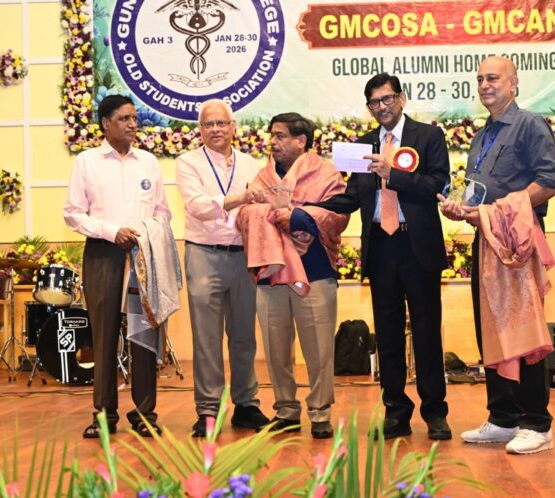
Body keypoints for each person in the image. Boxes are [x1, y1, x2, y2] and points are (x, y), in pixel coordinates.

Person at [438, 56, 555, 454]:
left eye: (492, 78)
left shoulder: (530, 125)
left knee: (524, 331)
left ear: (514, 83)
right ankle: (503, 418)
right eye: (479, 79)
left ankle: (537, 423)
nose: (484, 85)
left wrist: (502, 210)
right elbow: (479, 195)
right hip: (487, 239)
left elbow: (551, 180)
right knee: (490, 328)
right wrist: (462, 209)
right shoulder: (482, 135)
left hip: (517, 240)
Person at [316, 73, 452, 440]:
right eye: (374, 102)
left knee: (426, 333)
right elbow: (352, 197)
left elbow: (436, 185)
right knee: (388, 336)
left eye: (387, 99)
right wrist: (312, 205)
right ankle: (395, 412)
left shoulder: (428, 137)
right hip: (381, 246)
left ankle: (435, 412)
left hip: (417, 245)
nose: (382, 107)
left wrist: (394, 175)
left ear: (402, 98)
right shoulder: (362, 145)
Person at [64, 95, 172, 439]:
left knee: (144, 334)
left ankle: (145, 414)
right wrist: (113, 232)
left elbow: (163, 211)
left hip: (144, 254)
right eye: (124, 118)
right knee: (105, 335)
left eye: (134, 118)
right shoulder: (87, 162)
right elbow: (73, 214)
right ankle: (104, 415)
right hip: (103, 254)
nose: (132, 124)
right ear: (106, 123)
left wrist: (147, 232)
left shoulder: (148, 162)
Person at [236, 113, 349, 439]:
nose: (273, 142)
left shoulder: (326, 173)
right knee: (275, 348)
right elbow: (244, 215)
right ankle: (285, 410)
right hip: (271, 273)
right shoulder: (263, 176)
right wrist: (273, 212)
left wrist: (295, 215)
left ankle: (320, 412)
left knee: (319, 349)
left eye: (281, 136)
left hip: (314, 271)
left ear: (301, 141)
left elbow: (338, 215)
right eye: (272, 135)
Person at [175, 99, 270, 437]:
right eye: (208, 124)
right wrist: (242, 198)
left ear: (233, 127)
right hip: (204, 254)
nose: (215, 129)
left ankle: (246, 404)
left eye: (221, 123)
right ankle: (208, 409)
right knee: (207, 337)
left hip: (244, 255)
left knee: (244, 335)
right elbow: (198, 207)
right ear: (199, 130)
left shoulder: (251, 164)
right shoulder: (188, 163)